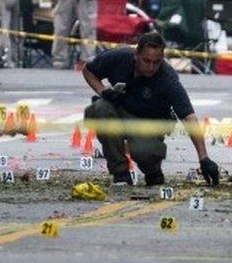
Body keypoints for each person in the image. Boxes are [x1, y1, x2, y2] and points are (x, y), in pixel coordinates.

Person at [82, 32, 220, 186]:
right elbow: (88, 70)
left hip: (149, 123)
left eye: (156, 62)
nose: (151, 67)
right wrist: (103, 91)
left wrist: (204, 158)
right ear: (136, 55)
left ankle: (153, 172)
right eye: (146, 61)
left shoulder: (168, 79)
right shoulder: (118, 58)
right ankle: (120, 173)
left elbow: (189, 118)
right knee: (100, 108)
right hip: (120, 111)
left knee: (144, 152)